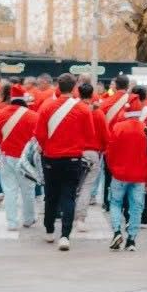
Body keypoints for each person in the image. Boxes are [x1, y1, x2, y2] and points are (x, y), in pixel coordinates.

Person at [34, 73, 95, 251]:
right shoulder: (83, 109)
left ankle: (49, 229)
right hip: (73, 157)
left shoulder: (47, 106)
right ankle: (65, 236)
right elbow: (90, 135)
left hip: (51, 157)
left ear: (58, 87)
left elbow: (39, 133)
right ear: (75, 86)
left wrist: (46, 146)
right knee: (69, 196)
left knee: (51, 195)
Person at [105, 110, 147, 251]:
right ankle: (131, 240)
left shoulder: (118, 127)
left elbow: (110, 152)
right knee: (136, 208)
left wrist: (113, 169)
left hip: (119, 174)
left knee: (115, 203)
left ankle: (117, 231)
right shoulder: (146, 130)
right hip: (139, 176)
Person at [0, 92, 39, 229]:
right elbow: (36, 138)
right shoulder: (33, 116)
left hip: (7, 155)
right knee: (28, 190)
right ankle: (28, 219)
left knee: (9, 190)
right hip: (26, 158)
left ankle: (12, 222)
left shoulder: (1, 113)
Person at [75, 82, 107, 232]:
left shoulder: (72, 110)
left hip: (73, 151)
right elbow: (105, 136)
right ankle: (80, 218)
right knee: (87, 187)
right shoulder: (98, 113)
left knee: (71, 186)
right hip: (92, 153)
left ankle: (67, 214)